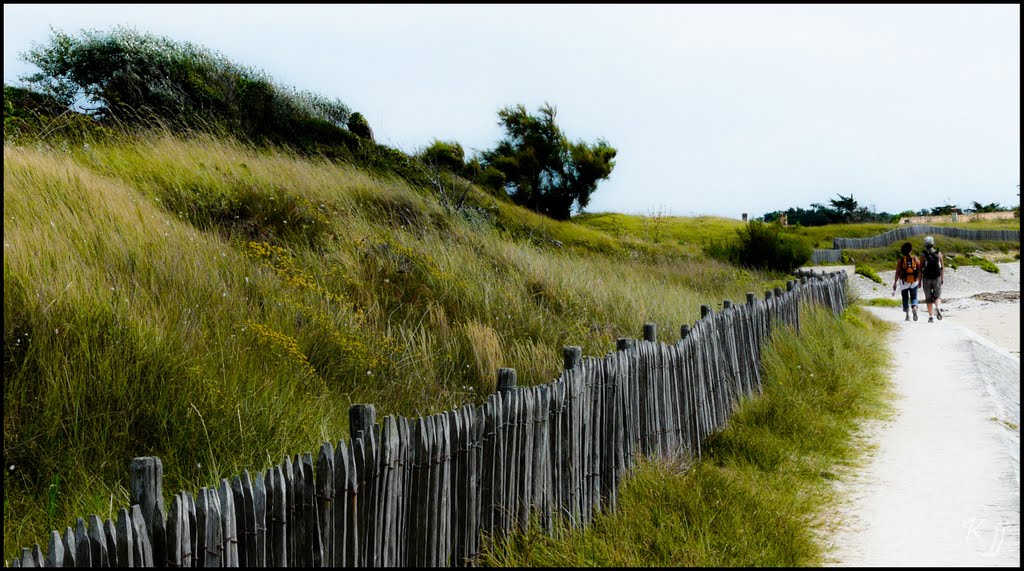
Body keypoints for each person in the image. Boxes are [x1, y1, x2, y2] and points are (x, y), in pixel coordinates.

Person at [892, 241, 921, 321]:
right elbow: (919, 270)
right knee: (914, 297)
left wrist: (895, 283)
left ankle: (907, 315)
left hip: (904, 282)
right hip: (914, 282)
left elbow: (897, 272)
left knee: (905, 298)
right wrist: (920, 280)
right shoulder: (915, 258)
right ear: (910, 250)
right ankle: (914, 307)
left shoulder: (900, 260)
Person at [920, 235, 945, 322]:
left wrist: (919, 281)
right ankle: (938, 307)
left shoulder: (923, 254)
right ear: (933, 244)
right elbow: (942, 267)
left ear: (925, 244)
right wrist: (942, 278)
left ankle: (931, 316)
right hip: (936, 277)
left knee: (928, 297)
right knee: (937, 295)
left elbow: (920, 268)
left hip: (926, 278)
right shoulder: (939, 253)